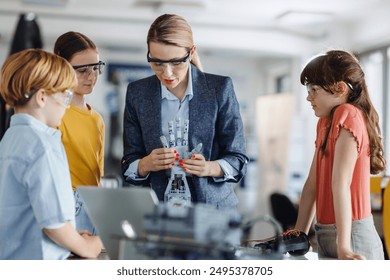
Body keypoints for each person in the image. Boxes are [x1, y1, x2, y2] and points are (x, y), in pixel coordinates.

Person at [121, 14, 248, 209]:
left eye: (176, 62)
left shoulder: (220, 88)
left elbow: (238, 159)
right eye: (157, 63)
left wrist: (210, 168)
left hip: (213, 212)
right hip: (157, 211)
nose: (167, 73)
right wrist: (145, 164)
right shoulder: (137, 93)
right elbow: (128, 161)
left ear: (191, 53)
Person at [0, 49, 102, 259]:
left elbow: (29, 212)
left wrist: (72, 236)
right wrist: (87, 246)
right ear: (42, 98)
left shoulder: (10, 139)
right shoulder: (42, 145)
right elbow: (54, 224)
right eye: (65, 96)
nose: (66, 106)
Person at [294, 49, 386, 260]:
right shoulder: (324, 122)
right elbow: (312, 183)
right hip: (326, 234)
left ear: (340, 89)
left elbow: (340, 184)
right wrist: (298, 236)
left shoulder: (349, 114)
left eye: (313, 89)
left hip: (352, 237)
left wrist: (344, 246)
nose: (309, 97)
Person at [54, 31, 105, 234]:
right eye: (83, 70)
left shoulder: (97, 119)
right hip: (65, 202)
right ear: (62, 67)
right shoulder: (55, 113)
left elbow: (96, 173)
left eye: (95, 68)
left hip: (93, 204)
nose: (92, 76)